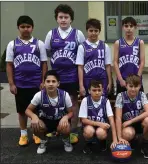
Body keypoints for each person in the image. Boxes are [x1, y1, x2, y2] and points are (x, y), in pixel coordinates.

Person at [44, 4, 85, 144]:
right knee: (55, 104)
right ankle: (56, 129)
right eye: (60, 17)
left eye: (66, 17)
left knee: (73, 103)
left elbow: (83, 54)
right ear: (56, 19)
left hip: (72, 76)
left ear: (71, 19)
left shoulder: (78, 34)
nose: (63, 20)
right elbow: (47, 53)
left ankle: (73, 131)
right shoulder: (51, 34)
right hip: (56, 77)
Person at [6, 15, 48, 146]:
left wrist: (43, 81)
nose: (25, 29)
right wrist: (11, 83)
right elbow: (9, 65)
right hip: (20, 84)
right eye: (22, 27)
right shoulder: (12, 44)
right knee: (22, 111)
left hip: (36, 84)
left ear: (32, 28)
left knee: (37, 110)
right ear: (18, 28)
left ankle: (36, 133)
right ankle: (23, 134)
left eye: (28, 27)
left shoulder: (39, 44)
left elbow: (44, 64)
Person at [25, 70, 74, 154]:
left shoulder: (65, 95)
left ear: (58, 83)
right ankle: (43, 141)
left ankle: (66, 140)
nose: (51, 84)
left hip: (60, 121)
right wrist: (34, 116)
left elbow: (71, 112)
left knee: (66, 126)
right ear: (44, 83)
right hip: (45, 121)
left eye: (53, 81)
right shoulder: (39, 95)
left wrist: (66, 117)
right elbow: (27, 110)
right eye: (48, 81)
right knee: (34, 126)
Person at [115, 74, 148, 159]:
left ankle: (145, 143)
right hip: (127, 125)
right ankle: (133, 140)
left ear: (140, 86)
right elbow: (118, 118)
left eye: (136, 86)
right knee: (128, 134)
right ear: (126, 86)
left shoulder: (142, 95)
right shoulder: (120, 96)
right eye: (131, 86)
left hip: (138, 123)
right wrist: (119, 137)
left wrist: (131, 121)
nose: (133, 89)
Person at [78, 80, 117, 154]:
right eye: (94, 90)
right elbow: (83, 120)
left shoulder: (106, 101)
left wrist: (115, 139)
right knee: (89, 131)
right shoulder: (85, 100)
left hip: (102, 128)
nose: (97, 92)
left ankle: (102, 141)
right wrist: (99, 124)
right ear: (89, 91)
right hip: (89, 126)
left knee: (101, 133)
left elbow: (111, 120)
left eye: (99, 90)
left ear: (102, 91)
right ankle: (88, 143)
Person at [76, 18, 112, 97]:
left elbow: (108, 66)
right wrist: (81, 85)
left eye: (96, 31)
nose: (93, 33)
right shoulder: (82, 47)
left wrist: (110, 82)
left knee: (102, 103)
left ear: (99, 31)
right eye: (91, 31)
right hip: (88, 80)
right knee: (89, 103)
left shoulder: (105, 46)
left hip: (102, 80)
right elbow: (80, 67)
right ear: (87, 31)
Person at [113, 16, 145, 95]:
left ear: (135, 27)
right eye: (126, 26)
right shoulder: (118, 43)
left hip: (136, 79)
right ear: (123, 27)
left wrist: (138, 78)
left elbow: (142, 62)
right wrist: (120, 79)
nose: (129, 28)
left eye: (131, 26)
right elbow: (115, 62)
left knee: (138, 104)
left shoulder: (140, 42)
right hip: (123, 79)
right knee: (121, 104)